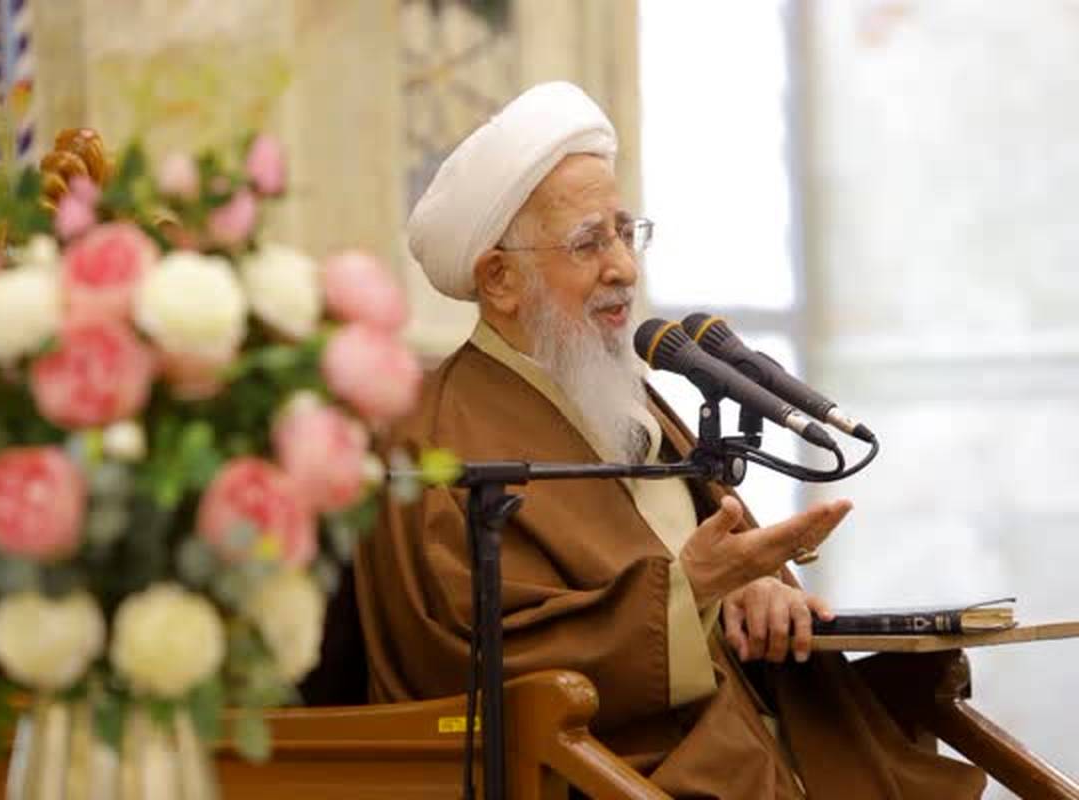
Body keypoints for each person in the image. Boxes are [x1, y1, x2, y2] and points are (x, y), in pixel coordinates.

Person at [354, 82, 985, 799]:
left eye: (626, 233)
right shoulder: (433, 437)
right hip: (610, 770)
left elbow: (711, 575)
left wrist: (759, 594)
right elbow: (464, 663)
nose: (623, 267)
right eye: (589, 242)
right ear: (500, 279)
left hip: (745, 739)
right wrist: (694, 594)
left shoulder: (625, 400)